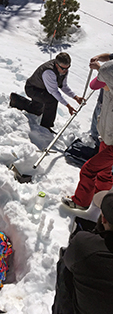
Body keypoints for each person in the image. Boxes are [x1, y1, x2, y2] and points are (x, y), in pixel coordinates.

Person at [62, 60, 113, 210]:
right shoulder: (109, 93)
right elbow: (94, 85)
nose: (102, 86)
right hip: (107, 139)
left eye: (104, 82)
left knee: (88, 169)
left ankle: (81, 202)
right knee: (104, 171)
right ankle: (102, 197)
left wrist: (101, 69)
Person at [60, 189, 113, 314]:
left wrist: (98, 232)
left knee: (66, 263)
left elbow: (68, 261)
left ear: (103, 219)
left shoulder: (85, 246)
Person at [9, 52, 83, 133]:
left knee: (36, 110)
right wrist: (68, 106)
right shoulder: (49, 72)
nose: (66, 71)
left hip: (43, 89)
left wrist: (75, 97)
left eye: (68, 68)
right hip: (33, 89)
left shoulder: (63, 71)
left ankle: (16, 99)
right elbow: (54, 92)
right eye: (63, 68)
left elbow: (63, 86)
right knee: (52, 100)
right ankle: (45, 127)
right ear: (57, 65)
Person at [89, 53, 113, 146]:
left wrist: (100, 69)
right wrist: (98, 57)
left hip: (109, 103)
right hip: (104, 98)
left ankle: (97, 142)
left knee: (103, 122)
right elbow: (109, 56)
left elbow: (108, 76)